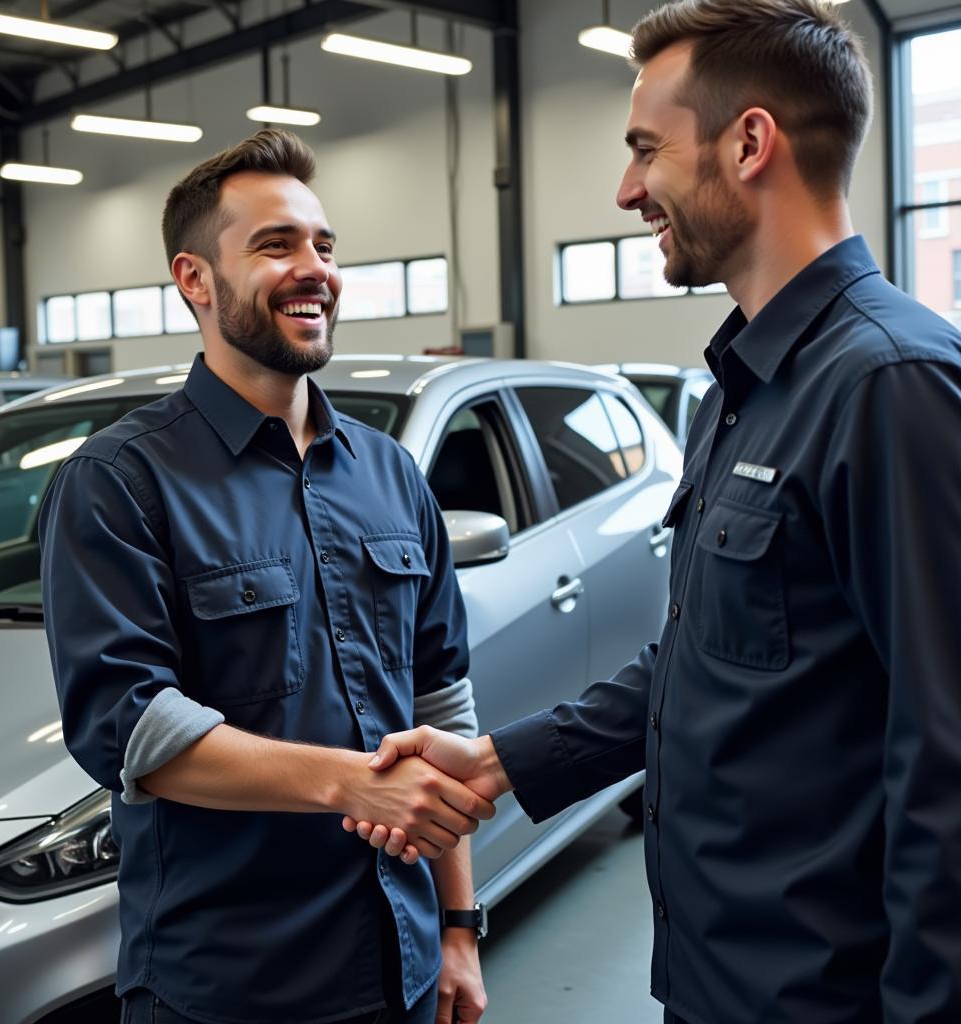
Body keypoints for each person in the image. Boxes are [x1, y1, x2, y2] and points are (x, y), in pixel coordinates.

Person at [346, 1, 961, 1021]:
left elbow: (948, 766)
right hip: (713, 980)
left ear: (749, 141)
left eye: (645, 150)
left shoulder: (889, 387)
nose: (628, 189)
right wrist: (493, 761)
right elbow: (698, 667)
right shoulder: (736, 389)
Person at [39, 129, 492, 1024]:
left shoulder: (390, 473)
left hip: (397, 966)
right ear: (194, 279)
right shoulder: (121, 480)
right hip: (229, 987)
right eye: (276, 245)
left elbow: (440, 707)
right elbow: (132, 729)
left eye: (324, 246)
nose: (313, 268)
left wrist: (457, 926)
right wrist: (348, 780)